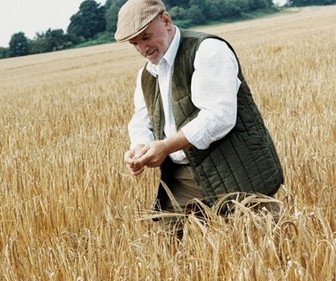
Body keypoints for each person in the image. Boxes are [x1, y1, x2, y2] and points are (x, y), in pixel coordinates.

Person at [116, 0, 284, 218]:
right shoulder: (147, 74)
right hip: (182, 177)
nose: (142, 49)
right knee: (164, 243)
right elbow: (141, 121)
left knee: (263, 243)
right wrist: (139, 150)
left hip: (234, 166)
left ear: (166, 21)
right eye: (134, 43)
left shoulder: (208, 49)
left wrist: (166, 146)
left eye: (146, 37)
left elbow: (219, 116)